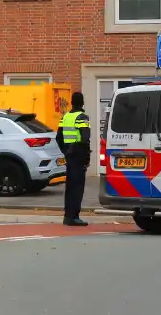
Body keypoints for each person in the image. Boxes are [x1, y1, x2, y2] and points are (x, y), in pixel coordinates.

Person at [57, 92, 91, 227]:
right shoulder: (82, 117)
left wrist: (65, 152)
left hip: (69, 156)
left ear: (71, 102)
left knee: (70, 186)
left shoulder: (65, 117)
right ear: (82, 103)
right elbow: (85, 138)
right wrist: (86, 157)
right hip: (79, 155)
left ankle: (67, 216)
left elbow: (58, 137)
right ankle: (74, 217)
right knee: (78, 187)